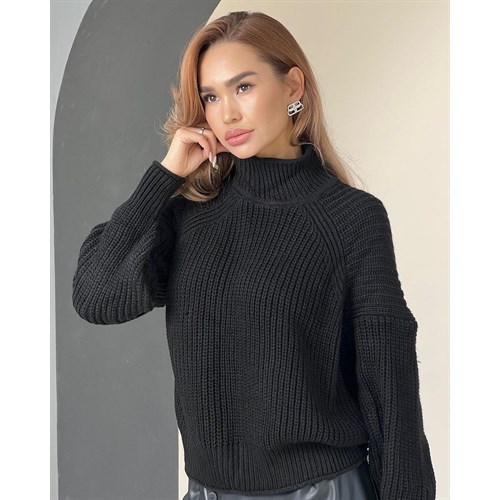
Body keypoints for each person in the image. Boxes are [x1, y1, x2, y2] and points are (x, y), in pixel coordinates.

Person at [72, 10, 436, 500]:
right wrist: (165, 175)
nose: (226, 114)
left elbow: (388, 386)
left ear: (293, 87)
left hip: (323, 490)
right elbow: (95, 297)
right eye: (210, 97)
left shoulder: (351, 219)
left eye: (242, 87)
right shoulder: (188, 215)